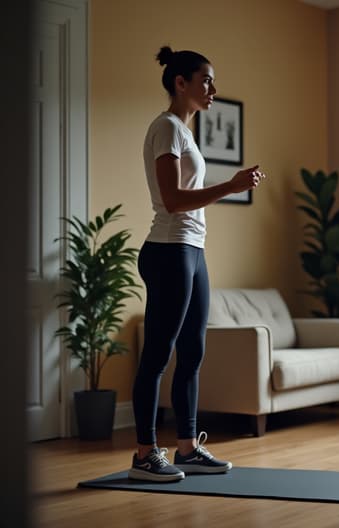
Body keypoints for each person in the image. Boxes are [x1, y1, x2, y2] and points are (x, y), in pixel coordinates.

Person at [129, 46, 266, 482]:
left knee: (193, 352)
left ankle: (186, 448)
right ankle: (144, 454)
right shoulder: (166, 128)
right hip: (169, 249)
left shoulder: (184, 134)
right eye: (205, 80)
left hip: (191, 250)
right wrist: (231, 184)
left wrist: (229, 185)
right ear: (180, 83)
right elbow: (171, 201)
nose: (213, 89)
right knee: (157, 357)